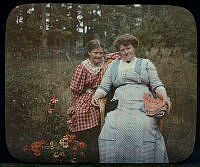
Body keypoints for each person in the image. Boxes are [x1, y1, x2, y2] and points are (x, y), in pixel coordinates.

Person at [91, 34, 171, 163]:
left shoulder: (145, 63)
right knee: (111, 127)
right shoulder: (113, 66)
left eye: (128, 48)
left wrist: (165, 96)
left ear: (134, 48)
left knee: (145, 126)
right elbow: (104, 87)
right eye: (122, 50)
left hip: (142, 104)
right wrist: (96, 95)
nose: (125, 52)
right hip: (120, 105)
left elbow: (157, 85)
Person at [66, 39, 119, 162]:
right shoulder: (83, 67)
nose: (99, 56)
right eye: (95, 53)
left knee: (105, 110)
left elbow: (117, 54)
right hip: (85, 96)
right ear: (89, 52)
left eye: (101, 53)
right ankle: (82, 146)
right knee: (81, 113)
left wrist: (109, 55)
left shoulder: (104, 61)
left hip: (102, 94)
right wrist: (73, 105)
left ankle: (98, 145)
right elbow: (75, 90)